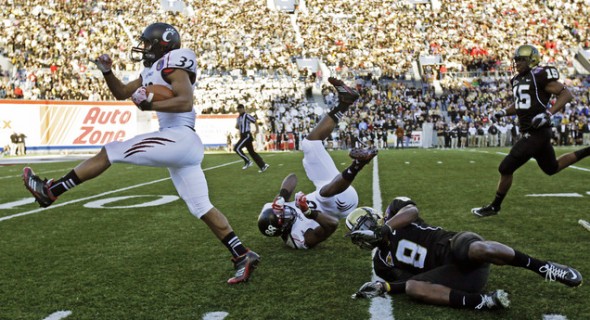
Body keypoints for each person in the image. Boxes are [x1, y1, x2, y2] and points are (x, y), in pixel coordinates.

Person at [21, 22, 259, 284]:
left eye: (147, 43)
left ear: (161, 44)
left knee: (110, 151)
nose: (143, 48)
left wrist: (150, 104)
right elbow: (122, 92)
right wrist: (108, 72)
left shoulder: (174, 63)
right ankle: (242, 254)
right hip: (180, 145)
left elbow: (185, 101)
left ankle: (51, 191)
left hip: (179, 136)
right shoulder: (151, 70)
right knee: (201, 206)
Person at [346, 196, 583, 310]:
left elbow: (412, 210)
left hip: (454, 246)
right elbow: (407, 280)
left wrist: (385, 228)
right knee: (412, 288)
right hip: (454, 278)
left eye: (365, 229)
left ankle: (543, 267)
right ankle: (484, 302)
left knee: (479, 247)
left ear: (376, 218)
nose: (364, 238)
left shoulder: (395, 214)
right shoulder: (380, 264)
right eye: (360, 237)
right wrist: (384, 287)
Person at [257, 77, 378, 247]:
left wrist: (282, 198)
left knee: (309, 145)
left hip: (328, 184)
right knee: (322, 193)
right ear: (283, 228)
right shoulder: (297, 238)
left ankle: (345, 101)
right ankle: (358, 164)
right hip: (342, 203)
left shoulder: (270, 211)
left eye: (282, 212)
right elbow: (331, 226)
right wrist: (309, 212)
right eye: (284, 217)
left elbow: (292, 178)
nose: (285, 213)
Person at [472, 44, 590, 217]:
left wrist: (548, 114)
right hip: (533, 132)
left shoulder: (539, 75)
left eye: (521, 59)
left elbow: (566, 94)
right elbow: (521, 103)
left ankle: (495, 207)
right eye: (516, 59)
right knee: (552, 168)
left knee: (505, 167)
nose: (517, 62)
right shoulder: (518, 79)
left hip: (537, 132)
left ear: (531, 59)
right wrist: (504, 112)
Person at [234, 104, 269, 172]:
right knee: (252, 152)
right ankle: (263, 165)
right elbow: (237, 126)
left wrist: (257, 130)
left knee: (237, 148)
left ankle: (247, 161)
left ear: (243, 109)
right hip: (243, 135)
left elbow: (254, 120)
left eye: (240, 109)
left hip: (246, 135)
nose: (239, 110)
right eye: (238, 109)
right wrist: (238, 124)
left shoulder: (246, 116)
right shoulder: (239, 118)